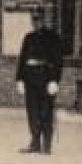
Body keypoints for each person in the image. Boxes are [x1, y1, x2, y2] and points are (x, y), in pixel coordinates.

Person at [15, 11, 64, 154]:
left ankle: (47, 145)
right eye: (34, 20)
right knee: (32, 112)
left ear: (44, 20)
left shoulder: (52, 38)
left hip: (45, 79)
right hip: (30, 80)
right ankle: (35, 143)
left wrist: (55, 80)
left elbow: (58, 61)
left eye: (39, 19)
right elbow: (22, 59)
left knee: (46, 113)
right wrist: (19, 79)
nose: (36, 23)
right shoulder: (28, 38)